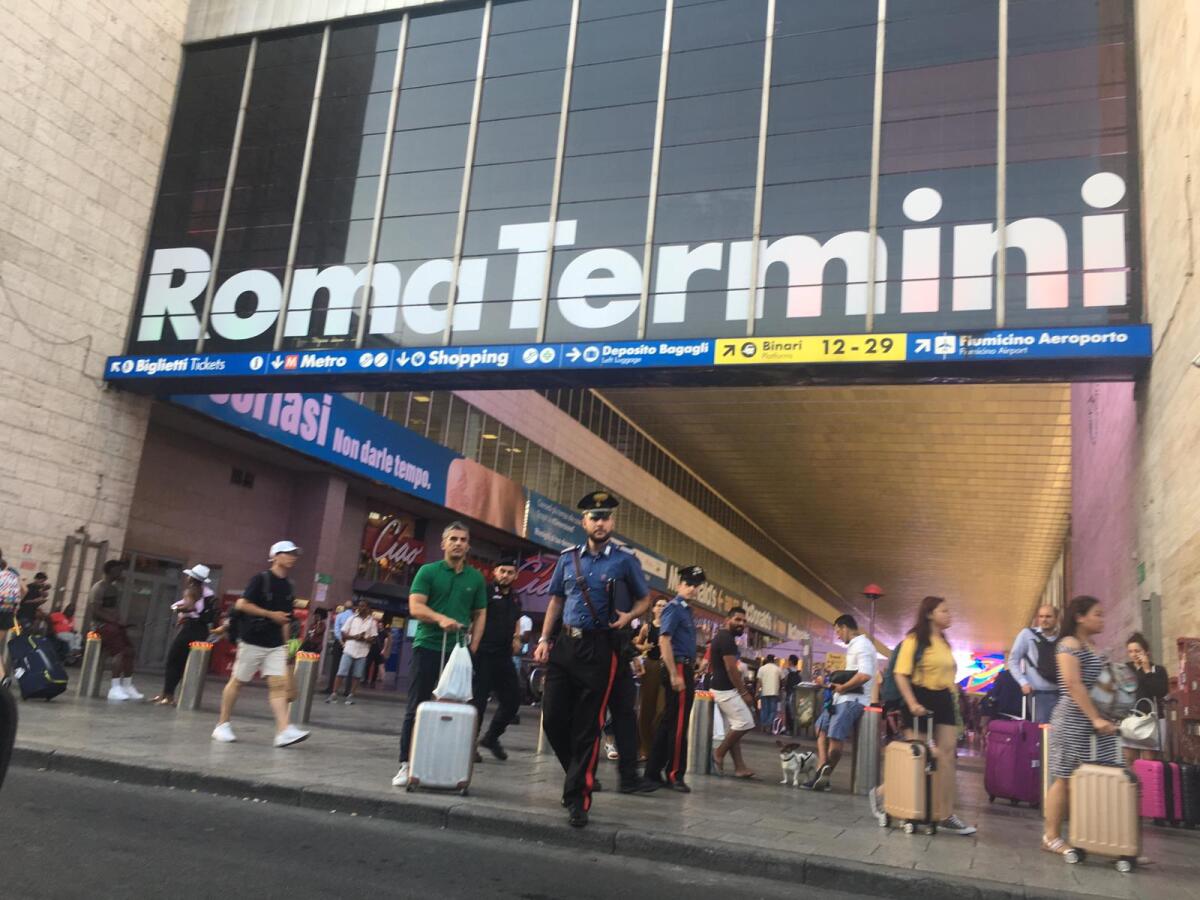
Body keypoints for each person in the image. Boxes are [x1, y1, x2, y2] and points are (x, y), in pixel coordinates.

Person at [533, 490, 652, 827]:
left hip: (601, 650)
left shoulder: (625, 561)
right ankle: (577, 773)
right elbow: (556, 600)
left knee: (588, 726)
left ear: (612, 522)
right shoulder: (568, 558)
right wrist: (544, 639)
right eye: (595, 517)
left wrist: (629, 616)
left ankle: (578, 799)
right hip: (565, 646)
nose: (601, 523)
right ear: (583, 521)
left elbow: (645, 599)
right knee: (554, 718)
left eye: (606, 517)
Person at [869, 596, 976, 836]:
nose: (949, 615)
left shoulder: (944, 642)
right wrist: (912, 702)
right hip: (919, 697)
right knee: (918, 757)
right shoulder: (914, 640)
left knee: (947, 756)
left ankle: (945, 813)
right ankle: (882, 793)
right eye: (943, 611)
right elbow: (900, 674)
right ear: (929, 614)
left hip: (943, 699)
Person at [392, 522, 487, 788]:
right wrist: (440, 618)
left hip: (459, 652)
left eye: (463, 539)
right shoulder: (428, 571)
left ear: (468, 545)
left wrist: (474, 647)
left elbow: (480, 613)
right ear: (443, 543)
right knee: (418, 706)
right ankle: (406, 764)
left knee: (456, 707)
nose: (458, 543)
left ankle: (444, 763)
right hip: (428, 647)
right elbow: (416, 607)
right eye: (453, 539)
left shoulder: (476, 578)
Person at [1041, 595, 1122, 856]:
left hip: (1097, 721)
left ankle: (1100, 837)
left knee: (1105, 774)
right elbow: (1073, 684)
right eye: (1097, 614)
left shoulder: (1092, 646)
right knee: (1063, 777)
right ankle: (1051, 836)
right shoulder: (1068, 644)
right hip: (1072, 719)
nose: (1102, 619)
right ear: (1079, 616)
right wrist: (1096, 718)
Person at [212, 541, 309, 748]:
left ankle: (283, 730)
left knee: (278, 685)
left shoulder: (289, 586)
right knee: (237, 681)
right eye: (288, 553)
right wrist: (269, 614)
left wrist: (285, 648)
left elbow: (285, 619)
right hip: (252, 640)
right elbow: (242, 604)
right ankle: (222, 724)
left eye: (294, 554)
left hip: (274, 643)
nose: (293, 557)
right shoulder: (261, 579)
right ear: (275, 556)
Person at [642, 565, 704, 792]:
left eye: (696, 586)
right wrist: (674, 673)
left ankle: (653, 771)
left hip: (683, 666)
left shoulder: (686, 610)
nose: (692, 589)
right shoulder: (674, 609)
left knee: (669, 722)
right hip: (677, 666)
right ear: (679, 585)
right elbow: (664, 641)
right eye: (688, 584)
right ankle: (674, 773)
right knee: (678, 724)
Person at [804, 615, 875, 790]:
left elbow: (865, 675)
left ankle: (824, 775)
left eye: (837, 631)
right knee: (820, 728)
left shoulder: (862, 645)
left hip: (851, 700)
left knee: (835, 741)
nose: (837, 635)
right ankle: (823, 770)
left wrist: (843, 687)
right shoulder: (854, 646)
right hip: (839, 699)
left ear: (844, 627)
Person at [473, 556, 523, 762]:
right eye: (502, 571)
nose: (505, 575)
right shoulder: (484, 592)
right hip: (483, 654)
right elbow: (475, 615)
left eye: (510, 572)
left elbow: (518, 619)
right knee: (478, 703)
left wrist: (517, 637)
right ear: (494, 573)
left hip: (504, 656)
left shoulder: (516, 597)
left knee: (513, 699)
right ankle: (469, 746)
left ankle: (492, 737)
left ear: (516, 575)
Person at [153, 563, 216, 705]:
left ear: (192, 578)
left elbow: (190, 606)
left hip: (190, 628)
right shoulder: (206, 592)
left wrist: (176, 610)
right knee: (187, 663)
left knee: (173, 660)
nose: (187, 577)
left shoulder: (190, 590)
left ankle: (168, 695)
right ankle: (172, 695)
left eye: (189, 575)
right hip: (202, 630)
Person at [710, 607, 757, 779]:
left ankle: (739, 767)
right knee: (745, 722)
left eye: (744, 621)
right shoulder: (726, 638)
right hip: (725, 689)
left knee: (736, 725)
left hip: (723, 688)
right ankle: (719, 753)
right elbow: (731, 668)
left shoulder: (725, 638)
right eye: (737, 619)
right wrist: (744, 692)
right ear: (727, 620)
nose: (741, 624)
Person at [89, 560, 144, 701]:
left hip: (114, 625)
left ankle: (127, 685)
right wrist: (113, 620)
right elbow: (95, 610)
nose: (121, 573)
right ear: (111, 571)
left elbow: (113, 609)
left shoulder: (113, 588)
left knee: (130, 652)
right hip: (102, 626)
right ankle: (114, 687)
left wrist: (121, 622)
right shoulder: (98, 587)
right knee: (119, 652)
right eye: (118, 570)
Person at [1006, 605, 1061, 724]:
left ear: (1057, 618)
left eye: (1048, 616)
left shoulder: (1062, 639)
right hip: (1038, 693)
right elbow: (1013, 661)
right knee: (1043, 732)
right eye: (1041, 616)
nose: (1044, 620)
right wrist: (1023, 682)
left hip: (1060, 693)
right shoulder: (1027, 635)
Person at [1122, 631, 1169, 765]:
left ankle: (1148, 786)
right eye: (1130, 651)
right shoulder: (1124, 670)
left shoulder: (1158, 670)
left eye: (1138, 650)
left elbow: (1159, 692)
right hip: (1130, 720)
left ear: (1146, 652)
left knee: (1148, 761)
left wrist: (1146, 670)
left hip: (1151, 721)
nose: (1134, 654)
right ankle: (1132, 786)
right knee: (1128, 758)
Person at [636, 597, 668, 760]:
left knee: (662, 709)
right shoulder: (647, 627)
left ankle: (657, 745)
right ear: (653, 609)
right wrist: (645, 647)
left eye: (665, 605)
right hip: (650, 666)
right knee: (646, 708)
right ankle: (645, 748)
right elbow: (636, 644)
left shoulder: (671, 627)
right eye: (659, 605)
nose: (661, 608)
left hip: (666, 668)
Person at [332, 599, 379, 705]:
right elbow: (343, 633)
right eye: (359, 606)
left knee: (357, 675)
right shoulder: (351, 619)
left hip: (362, 652)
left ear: (368, 608)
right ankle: (334, 693)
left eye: (363, 606)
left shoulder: (372, 622)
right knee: (341, 672)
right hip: (349, 649)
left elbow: (374, 638)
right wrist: (355, 637)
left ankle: (351, 695)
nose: (360, 608)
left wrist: (365, 639)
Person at [0, 549, 23, 679]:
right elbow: (22, 591)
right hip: (7, 614)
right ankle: (2, 678)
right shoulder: (12, 576)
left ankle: (2, 678)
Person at [325, 602, 356, 696]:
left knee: (335, 666)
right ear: (353, 608)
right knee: (350, 667)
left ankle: (332, 688)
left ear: (344, 607)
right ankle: (347, 690)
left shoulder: (339, 616)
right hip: (351, 643)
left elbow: (337, 631)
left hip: (339, 643)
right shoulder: (355, 617)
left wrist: (341, 642)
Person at [757, 654, 782, 732]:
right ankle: (769, 724)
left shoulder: (762, 668)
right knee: (772, 710)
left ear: (767, 660)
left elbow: (759, 682)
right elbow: (783, 680)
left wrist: (757, 691)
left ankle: (763, 725)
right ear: (773, 660)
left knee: (764, 709)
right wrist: (780, 687)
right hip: (774, 692)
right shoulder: (778, 669)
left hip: (764, 692)